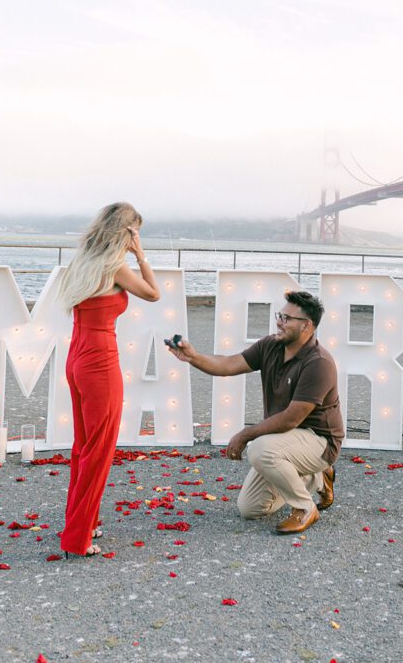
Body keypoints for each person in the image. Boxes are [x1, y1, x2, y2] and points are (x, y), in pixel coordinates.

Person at [169, 290, 344, 534]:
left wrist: (245, 434)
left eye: (287, 319)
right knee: (250, 508)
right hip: (286, 441)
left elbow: (291, 418)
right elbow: (228, 365)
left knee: (260, 449)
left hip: (318, 440)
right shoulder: (271, 346)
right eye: (280, 315)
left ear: (307, 327)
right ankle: (315, 478)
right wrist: (193, 357)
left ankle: (305, 508)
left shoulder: (319, 363)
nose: (279, 322)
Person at [58, 202, 160, 557]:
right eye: (136, 232)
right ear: (126, 232)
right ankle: (78, 538)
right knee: (99, 450)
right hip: (100, 362)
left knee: (83, 446)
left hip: (76, 359)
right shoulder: (114, 267)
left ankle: (82, 524)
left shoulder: (82, 262)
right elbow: (152, 293)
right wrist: (141, 255)